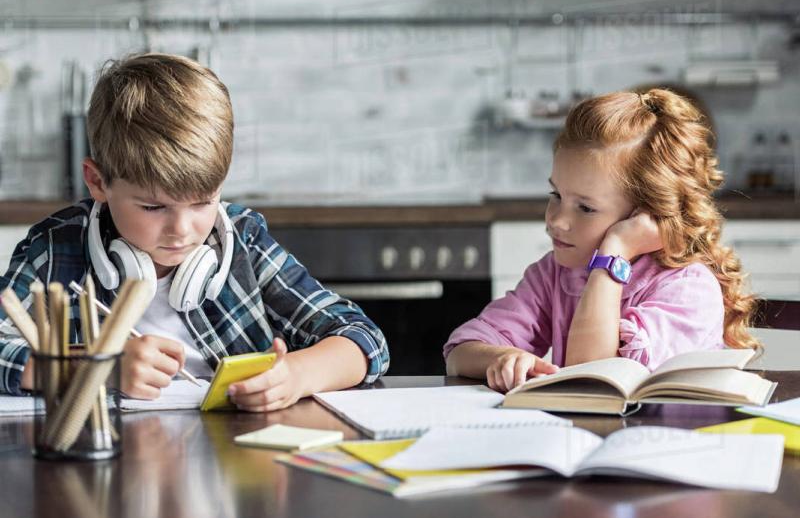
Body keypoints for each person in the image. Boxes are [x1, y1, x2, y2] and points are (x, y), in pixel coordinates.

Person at [0, 53, 389, 410]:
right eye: (153, 207)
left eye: (204, 202)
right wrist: (96, 368)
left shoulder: (242, 241)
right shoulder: (54, 248)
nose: (182, 231)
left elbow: (363, 339)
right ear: (97, 182)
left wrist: (297, 375)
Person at [445, 89, 758, 392]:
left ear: (648, 214)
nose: (556, 219)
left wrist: (614, 252)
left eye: (585, 208)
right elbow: (460, 354)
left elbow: (593, 380)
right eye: (556, 195)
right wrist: (501, 357)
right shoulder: (555, 273)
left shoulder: (688, 289)